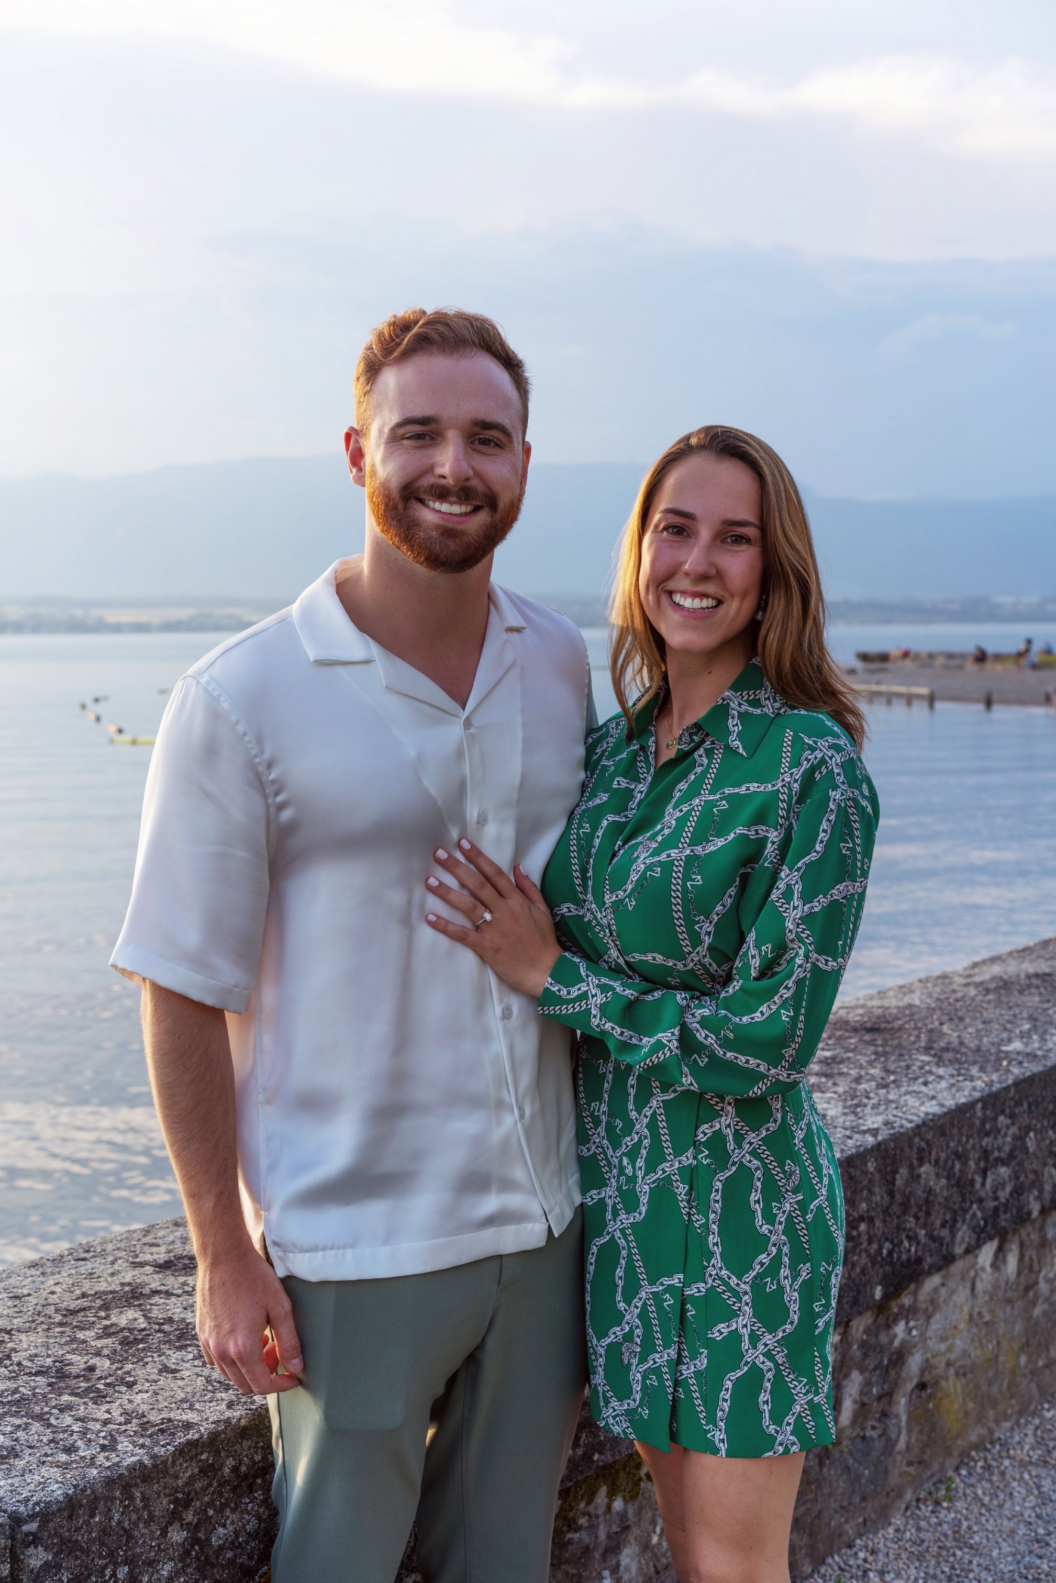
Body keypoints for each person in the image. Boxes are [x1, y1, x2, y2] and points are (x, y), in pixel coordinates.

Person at [110, 309, 595, 1583]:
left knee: (506, 1565)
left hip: (548, 1230)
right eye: (418, 433)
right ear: (355, 452)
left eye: (487, 438)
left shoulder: (560, 661)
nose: (454, 466)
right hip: (356, 1249)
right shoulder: (239, 698)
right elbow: (178, 987)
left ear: (526, 464)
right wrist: (222, 1251)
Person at [425, 426, 879, 1583]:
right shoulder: (616, 754)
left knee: (735, 1562)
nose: (700, 561)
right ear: (638, 551)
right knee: (687, 1550)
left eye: (737, 538)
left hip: (742, 1215)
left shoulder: (810, 769)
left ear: (775, 573)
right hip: (624, 1212)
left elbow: (769, 1040)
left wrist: (554, 976)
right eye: (675, 528)